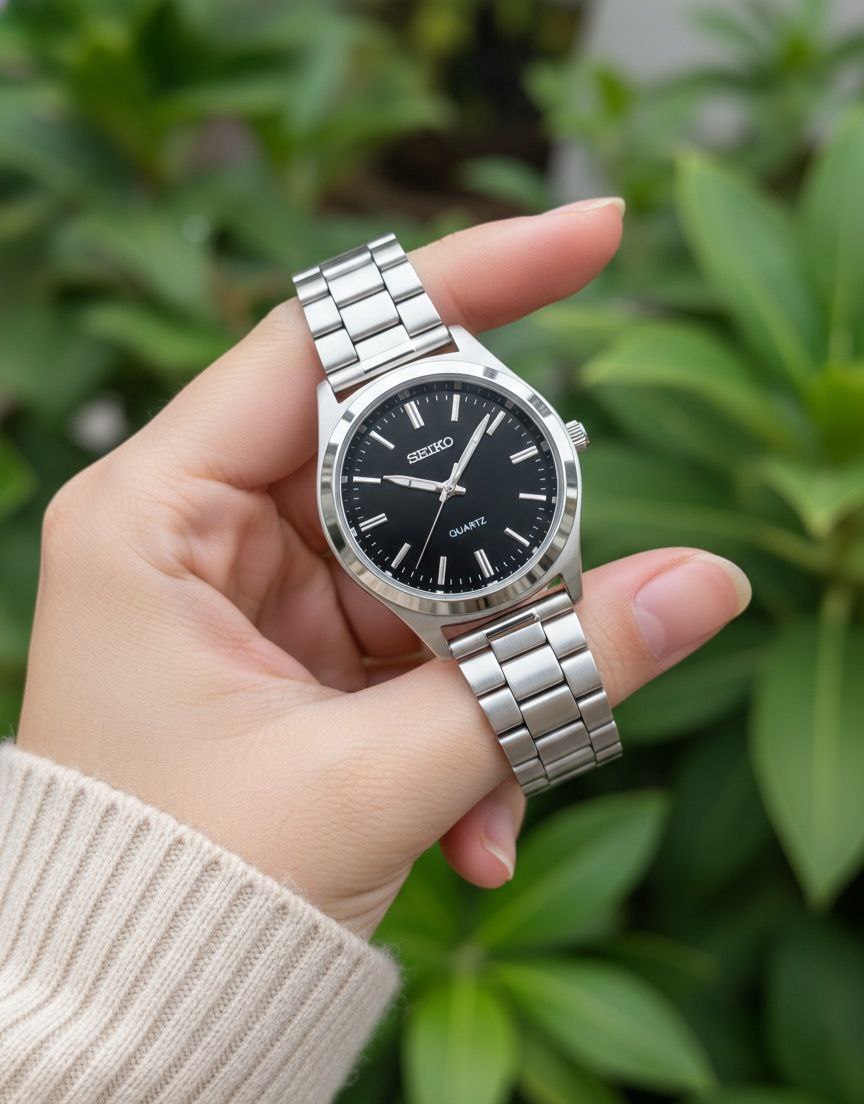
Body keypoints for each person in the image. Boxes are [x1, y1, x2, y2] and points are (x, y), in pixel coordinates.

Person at [0, 202, 750, 1103]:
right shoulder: (368, 540)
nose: (448, 486)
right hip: (455, 581)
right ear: (349, 532)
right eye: (425, 482)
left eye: (458, 470)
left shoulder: (419, 471)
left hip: (487, 562)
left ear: (558, 437)